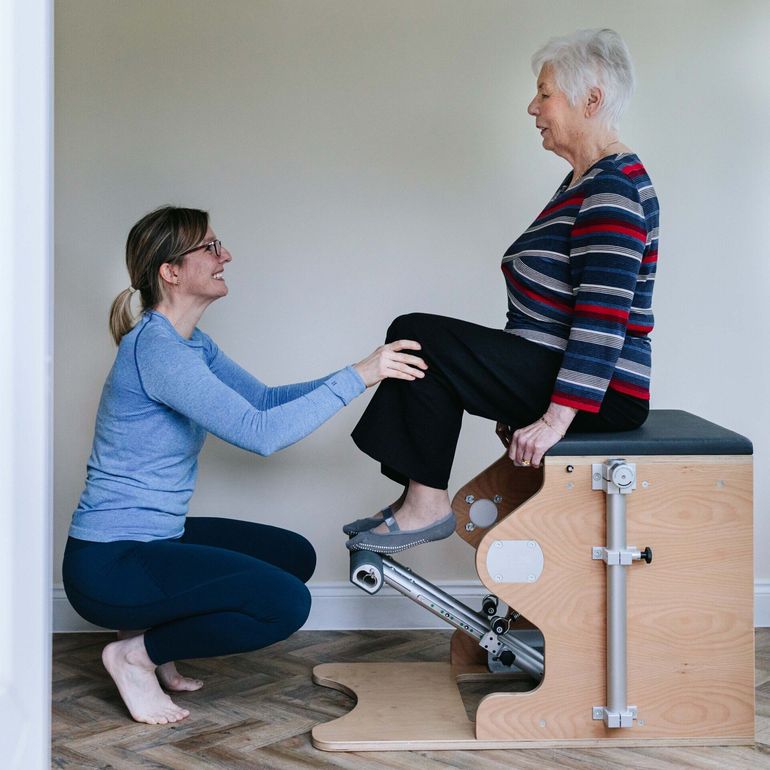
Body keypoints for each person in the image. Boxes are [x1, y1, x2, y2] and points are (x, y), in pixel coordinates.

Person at [62, 205, 427, 725]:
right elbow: (262, 434)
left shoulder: (190, 344)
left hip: (152, 541)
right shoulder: (157, 351)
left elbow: (262, 401)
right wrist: (359, 376)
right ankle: (133, 655)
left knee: (291, 556)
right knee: (286, 604)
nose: (225, 255)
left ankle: (145, 634)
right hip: (108, 564)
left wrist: (363, 372)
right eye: (210, 248)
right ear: (170, 271)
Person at [345, 28, 659, 553]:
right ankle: (419, 501)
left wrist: (555, 418)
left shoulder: (613, 188)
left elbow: (603, 319)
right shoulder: (585, 181)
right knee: (419, 341)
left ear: (592, 100)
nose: (532, 107)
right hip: (561, 367)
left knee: (416, 336)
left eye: (545, 93)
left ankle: (424, 505)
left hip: (604, 392)